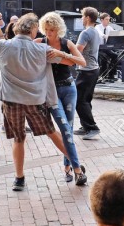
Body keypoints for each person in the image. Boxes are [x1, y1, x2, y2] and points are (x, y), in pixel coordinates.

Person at [0, 13, 73, 192]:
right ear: (33, 29)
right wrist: (63, 53)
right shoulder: (42, 49)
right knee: (52, 132)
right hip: (35, 100)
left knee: (18, 139)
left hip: (11, 100)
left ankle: (19, 178)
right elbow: (69, 62)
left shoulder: (4, 45)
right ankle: (75, 163)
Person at [37, 12, 88, 186]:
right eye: (46, 29)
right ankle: (77, 169)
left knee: (70, 127)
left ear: (58, 29)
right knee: (64, 127)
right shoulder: (39, 43)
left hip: (69, 87)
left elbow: (82, 62)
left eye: (52, 30)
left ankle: (67, 166)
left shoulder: (66, 43)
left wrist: (62, 54)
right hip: (51, 91)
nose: (49, 33)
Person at [74, 7, 103, 141]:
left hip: (86, 70)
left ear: (87, 18)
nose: (81, 19)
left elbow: (77, 51)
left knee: (79, 100)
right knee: (86, 99)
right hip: (93, 69)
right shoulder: (96, 31)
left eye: (82, 16)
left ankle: (92, 127)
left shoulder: (85, 33)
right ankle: (85, 126)